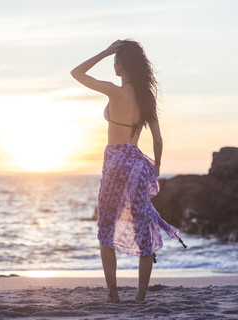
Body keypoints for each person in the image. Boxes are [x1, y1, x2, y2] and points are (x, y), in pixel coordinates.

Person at [70, 39, 186, 302]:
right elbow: (157, 140)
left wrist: (106, 50)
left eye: (115, 60)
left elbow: (76, 73)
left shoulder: (114, 91)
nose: (113, 64)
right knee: (143, 229)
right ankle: (140, 297)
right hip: (137, 163)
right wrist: (156, 168)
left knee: (106, 229)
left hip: (114, 164)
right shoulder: (147, 99)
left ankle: (113, 294)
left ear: (122, 64)